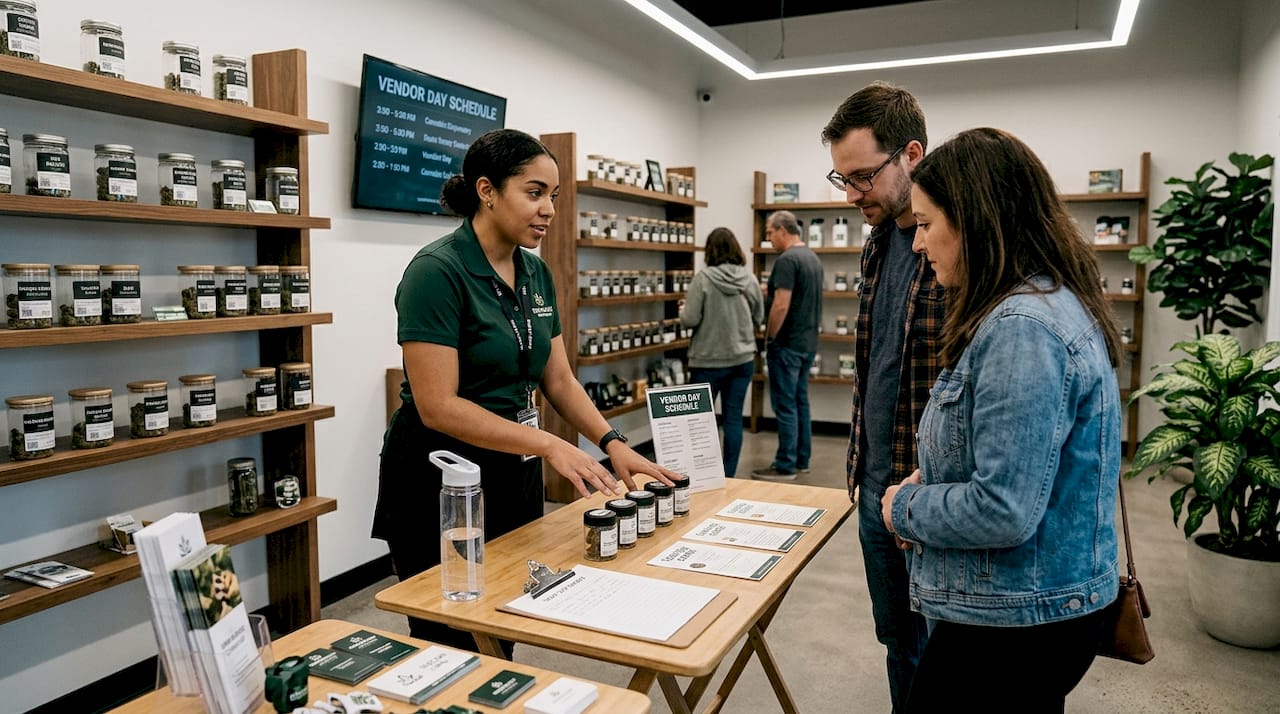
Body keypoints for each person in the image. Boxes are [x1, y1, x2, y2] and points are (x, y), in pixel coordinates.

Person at [372, 129, 680, 651]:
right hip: (441, 480)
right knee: (450, 635)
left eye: (553, 197)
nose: (548, 210)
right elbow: (437, 405)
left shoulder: (533, 270)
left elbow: (556, 377)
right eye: (534, 193)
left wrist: (612, 443)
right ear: (487, 190)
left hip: (510, 470)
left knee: (506, 620)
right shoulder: (436, 272)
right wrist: (549, 444)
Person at [882, 127, 1121, 711]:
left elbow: (1003, 508)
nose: (917, 245)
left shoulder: (1023, 330)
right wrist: (936, 474)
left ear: (976, 222)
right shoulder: (1042, 305)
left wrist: (902, 507)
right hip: (1028, 610)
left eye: (926, 225)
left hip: (1012, 622)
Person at [822, 81, 939, 712]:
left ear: (912, 156)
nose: (851, 195)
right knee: (898, 641)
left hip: (933, 491)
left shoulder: (954, 243)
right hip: (873, 481)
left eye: (863, 177)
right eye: (842, 179)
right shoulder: (874, 247)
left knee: (946, 647)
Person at [680, 227, 764, 478]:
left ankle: (704, 475)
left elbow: (690, 319)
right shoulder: (749, 279)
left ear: (710, 250)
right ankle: (729, 475)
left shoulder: (703, 279)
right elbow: (759, 317)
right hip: (742, 360)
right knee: (734, 418)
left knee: (700, 421)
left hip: (707, 360)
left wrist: (683, 310)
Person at [750, 210, 822, 481]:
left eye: (769, 232)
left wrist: (769, 337)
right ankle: (802, 459)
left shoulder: (787, 260)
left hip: (787, 344)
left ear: (782, 230)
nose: (768, 238)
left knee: (785, 405)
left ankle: (785, 465)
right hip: (807, 343)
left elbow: (781, 305)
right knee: (800, 402)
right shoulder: (811, 258)